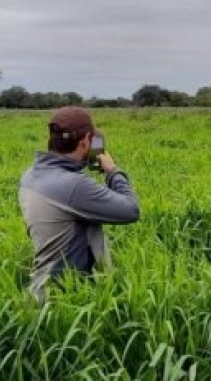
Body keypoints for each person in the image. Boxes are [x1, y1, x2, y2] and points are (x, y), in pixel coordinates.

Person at [18, 106, 140, 305]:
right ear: (85, 142)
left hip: (42, 289)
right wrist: (112, 171)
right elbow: (131, 210)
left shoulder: (30, 175)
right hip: (65, 298)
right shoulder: (74, 186)